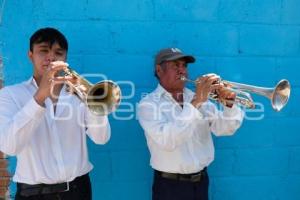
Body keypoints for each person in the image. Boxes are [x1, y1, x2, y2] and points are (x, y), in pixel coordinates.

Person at [0, 27, 111, 200]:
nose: (51, 57)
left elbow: (101, 138)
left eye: (58, 52)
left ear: (65, 59)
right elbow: (9, 147)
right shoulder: (10, 95)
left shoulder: (78, 95)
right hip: (33, 194)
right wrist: (39, 98)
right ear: (30, 55)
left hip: (78, 190)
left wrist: (94, 103)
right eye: (43, 51)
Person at [137, 47, 244, 200]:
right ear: (159, 70)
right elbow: (169, 141)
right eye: (175, 66)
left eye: (184, 66)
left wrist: (229, 105)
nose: (182, 71)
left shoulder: (198, 98)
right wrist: (196, 103)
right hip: (169, 187)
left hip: (201, 183)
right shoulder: (148, 105)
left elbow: (224, 129)